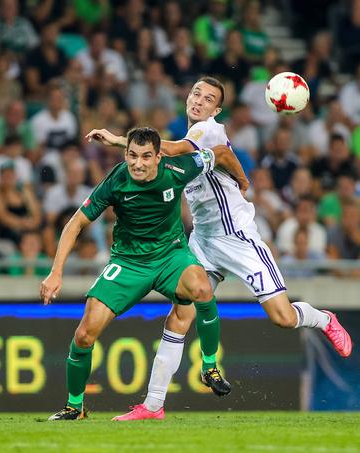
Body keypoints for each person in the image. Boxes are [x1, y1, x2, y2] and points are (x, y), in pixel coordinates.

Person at [87, 76, 352, 422]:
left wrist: (119, 139)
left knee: (282, 317)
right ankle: (152, 406)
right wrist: (241, 178)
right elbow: (210, 156)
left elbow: (180, 149)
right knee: (180, 316)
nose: (199, 100)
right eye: (196, 93)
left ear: (217, 109)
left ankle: (324, 319)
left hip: (238, 238)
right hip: (203, 239)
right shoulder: (191, 135)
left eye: (208, 98)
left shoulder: (207, 130)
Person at [42, 127, 240, 421]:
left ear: (159, 156)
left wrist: (244, 181)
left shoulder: (179, 167)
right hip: (128, 262)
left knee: (202, 289)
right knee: (84, 334)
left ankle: (209, 366)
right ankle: (75, 406)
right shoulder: (117, 179)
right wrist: (55, 273)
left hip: (171, 255)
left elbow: (222, 153)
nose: (138, 163)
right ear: (125, 154)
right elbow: (75, 224)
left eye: (146, 156)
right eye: (132, 155)